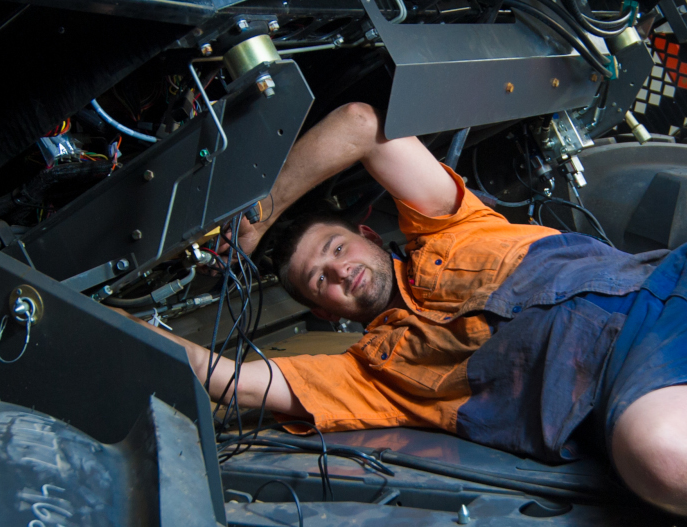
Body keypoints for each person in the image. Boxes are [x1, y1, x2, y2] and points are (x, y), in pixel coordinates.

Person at [127, 103, 687, 515]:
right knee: (659, 455)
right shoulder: (373, 377)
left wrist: (258, 216)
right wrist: (110, 322)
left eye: (338, 249)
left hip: (667, 278)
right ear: (325, 313)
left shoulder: (449, 221)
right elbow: (228, 379)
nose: (339, 271)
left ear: (368, 234)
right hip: (630, 380)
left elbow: (362, 126)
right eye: (319, 280)